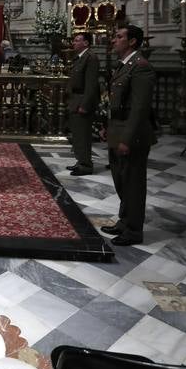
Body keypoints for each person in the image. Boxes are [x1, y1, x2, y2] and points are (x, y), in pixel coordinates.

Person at [100, 25, 156, 246]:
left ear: (132, 41)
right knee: (121, 181)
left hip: (132, 135)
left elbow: (140, 108)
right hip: (118, 130)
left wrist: (127, 139)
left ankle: (133, 230)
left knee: (132, 182)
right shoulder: (123, 66)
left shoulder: (141, 67)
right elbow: (116, 104)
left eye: (119, 37)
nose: (114, 40)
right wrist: (107, 127)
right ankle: (124, 221)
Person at [66, 31, 100, 176]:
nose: (74, 43)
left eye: (77, 40)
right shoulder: (80, 58)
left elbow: (91, 84)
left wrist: (85, 105)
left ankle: (86, 165)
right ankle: (80, 160)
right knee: (77, 134)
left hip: (82, 101)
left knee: (83, 135)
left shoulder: (90, 58)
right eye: (74, 40)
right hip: (76, 100)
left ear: (86, 43)